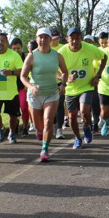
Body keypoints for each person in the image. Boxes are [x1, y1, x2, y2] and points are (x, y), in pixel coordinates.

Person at [20, 28, 68, 162]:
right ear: (36, 39)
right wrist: (31, 86)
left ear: (50, 40)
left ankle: (45, 149)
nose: (43, 40)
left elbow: (64, 71)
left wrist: (63, 84)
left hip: (51, 93)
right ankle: (39, 132)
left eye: (46, 37)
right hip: (35, 94)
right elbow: (23, 76)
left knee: (48, 121)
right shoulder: (32, 56)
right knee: (38, 125)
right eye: (40, 37)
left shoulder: (57, 55)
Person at [59, 26, 107, 148]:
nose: (75, 41)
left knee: (85, 112)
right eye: (72, 39)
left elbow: (104, 57)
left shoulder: (90, 48)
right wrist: (64, 78)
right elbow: (54, 70)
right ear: (67, 39)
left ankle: (87, 126)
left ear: (81, 38)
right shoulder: (61, 52)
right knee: (72, 116)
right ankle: (77, 138)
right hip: (71, 89)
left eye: (77, 38)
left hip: (87, 86)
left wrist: (98, 75)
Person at [9, 37, 31, 137]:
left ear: (22, 48)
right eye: (14, 48)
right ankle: (15, 124)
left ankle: (25, 127)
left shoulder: (26, 57)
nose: (16, 50)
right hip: (10, 87)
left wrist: (28, 83)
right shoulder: (9, 57)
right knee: (13, 109)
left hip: (22, 86)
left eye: (18, 48)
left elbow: (30, 71)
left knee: (24, 107)